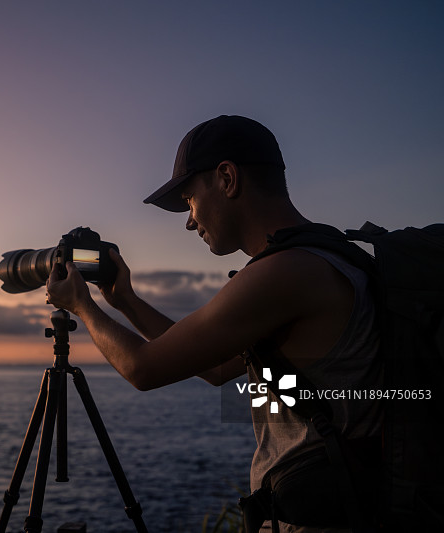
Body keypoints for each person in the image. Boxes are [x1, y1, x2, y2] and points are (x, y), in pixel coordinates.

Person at [45, 115, 382, 533]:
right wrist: (126, 302)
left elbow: (143, 369)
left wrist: (82, 306)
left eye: (189, 199)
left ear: (227, 178)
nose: (189, 220)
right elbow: (216, 368)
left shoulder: (284, 273)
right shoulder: (328, 254)